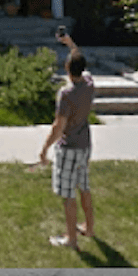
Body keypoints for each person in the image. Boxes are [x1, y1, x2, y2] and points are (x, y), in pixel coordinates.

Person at [39, 34, 95, 250]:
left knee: (67, 194)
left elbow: (58, 127)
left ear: (66, 67)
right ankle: (89, 228)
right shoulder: (89, 83)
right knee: (84, 187)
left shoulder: (66, 94)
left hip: (69, 148)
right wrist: (71, 43)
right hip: (85, 146)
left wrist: (44, 150)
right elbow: (79, 61)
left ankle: (71, 240)